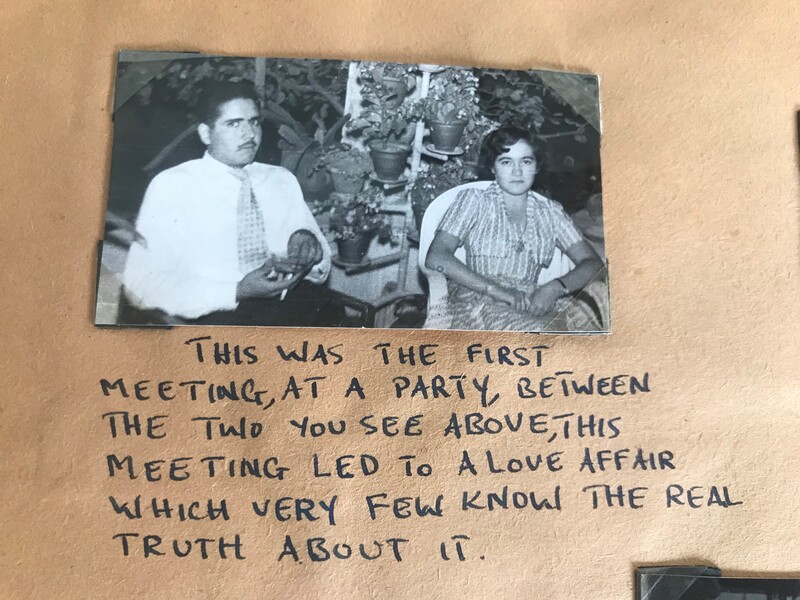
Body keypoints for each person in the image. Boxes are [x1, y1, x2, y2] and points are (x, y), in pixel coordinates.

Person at [121, 80, 341, 326]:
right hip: (221, 317)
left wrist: (309, 244)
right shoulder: (173, 186)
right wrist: (236, 291)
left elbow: (320, 264)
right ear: (206, 133)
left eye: (254, 122)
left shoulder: (281, 179)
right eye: (234, 124)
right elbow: (141, 284)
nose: (249, 135)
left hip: (295, 308)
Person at [425, 125, 604, 331]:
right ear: (492, 167)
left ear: (537, 166)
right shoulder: (475, 201)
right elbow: (436, 256)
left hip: (530, 302)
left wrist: (556, 288)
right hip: (479, 301)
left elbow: (593, 264)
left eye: (526, 161)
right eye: (506, 162)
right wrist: (498, 291)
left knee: (586, 332)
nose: (517, 172)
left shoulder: (550, 212)